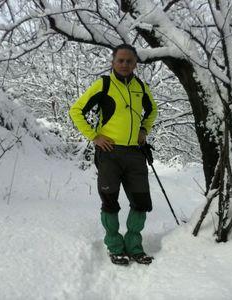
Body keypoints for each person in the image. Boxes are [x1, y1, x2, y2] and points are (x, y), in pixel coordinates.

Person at [69, 44, 157, 265]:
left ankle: (134, 246)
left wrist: (144, 130)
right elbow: (76, 111)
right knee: (110, 201)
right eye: (121, 60)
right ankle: (115, 246)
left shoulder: (141, 87)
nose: (125, 64)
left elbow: (152, 110)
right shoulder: (104, 85)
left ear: (135, 63)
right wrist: (94, 136)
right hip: (109, 153)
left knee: (141, 201)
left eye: (129, 61)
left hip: (135, 153)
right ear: (113, 62)